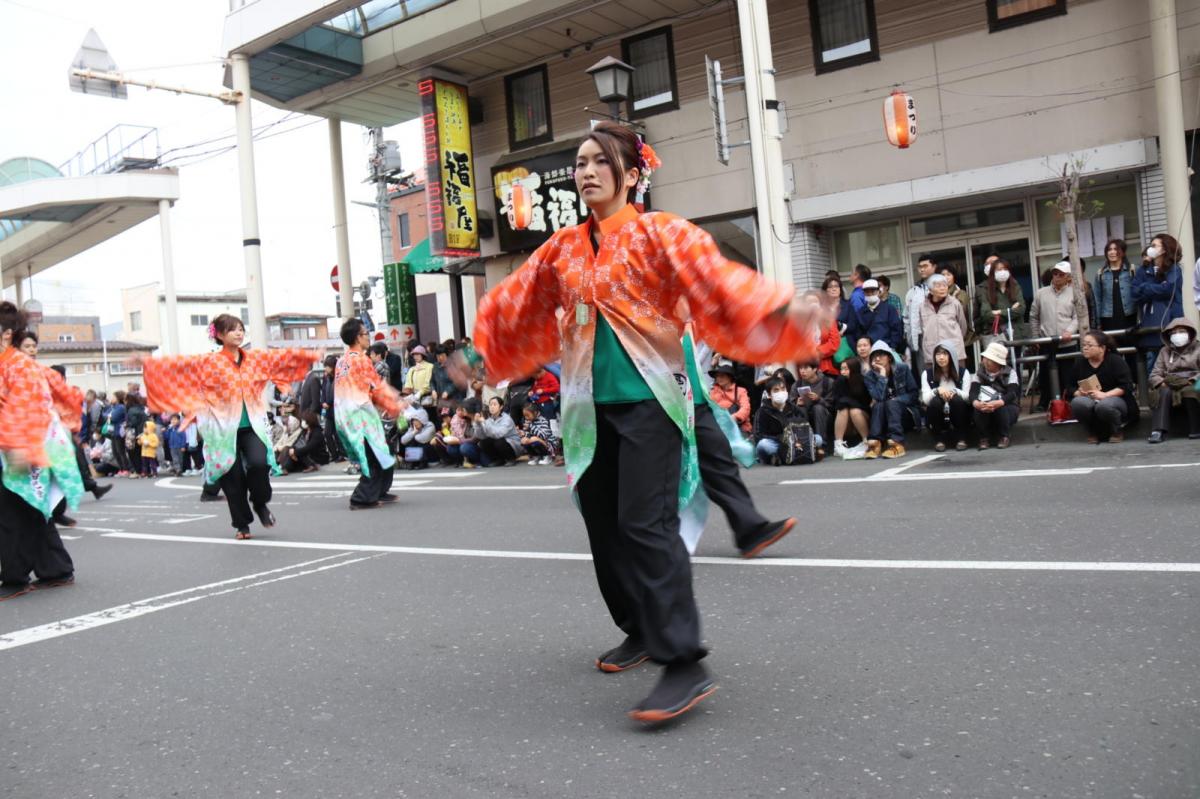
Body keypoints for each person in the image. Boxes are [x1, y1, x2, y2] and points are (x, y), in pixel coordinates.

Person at [469, 121, 823, 723]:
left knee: (645, 525)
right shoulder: (561, 248)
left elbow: (719, 284)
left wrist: (784, 314)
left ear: (631, 174)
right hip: (586, 409)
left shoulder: (661, 234)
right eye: (579, 163)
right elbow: (518, 300)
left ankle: (683, 661)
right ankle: (640, 627)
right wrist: (483, 348)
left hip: (650, 401)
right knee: (603, 526)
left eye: (597, 162)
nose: (584, 172)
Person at [139, 313, 319, 540]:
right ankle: (242, 524)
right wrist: (146, 362)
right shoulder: (210, 361)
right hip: (222, 430)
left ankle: (260, 503)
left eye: (241, 328)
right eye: (233, 329)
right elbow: (178, 367)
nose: (239, 332)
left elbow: (280, 359)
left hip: (252, 424)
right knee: (232, 477)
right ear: (221, 335)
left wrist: (309, 355)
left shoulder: (254, 359)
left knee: (258, 464)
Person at [0, 302, 80, 600]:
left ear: (6, 334)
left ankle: (15, 577)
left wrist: (20, 446)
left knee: (11, 513)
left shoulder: (18, 365)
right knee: (31, 509)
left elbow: (31, 407)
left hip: (22, 445)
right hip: (18, 445)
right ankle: (56, 569)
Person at [335, 318, 403, 509]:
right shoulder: (361, 360)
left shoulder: (342, 361)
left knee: (384, 449)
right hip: (360, 414)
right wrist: (395, 404)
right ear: (358, 337)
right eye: (366, 333)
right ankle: (361, 498)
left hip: (347, 414)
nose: (368, 337)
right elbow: (377, 387)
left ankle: (379, 490)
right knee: (374, 454)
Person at [1029, 260, 1090, 411]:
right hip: (1047, 340)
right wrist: (1036, 336)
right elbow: (1033, 316)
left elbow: (1078, 316)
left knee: (1068, 375)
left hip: (1068, 342)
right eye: (1054, 273)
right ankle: (1044, 403)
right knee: (1045, 374)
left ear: (1068, 277)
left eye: (1061, 274)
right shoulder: (1041, 293)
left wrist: (1070, 330)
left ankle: (1068, 402)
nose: (1056, 277)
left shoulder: (1075, 293)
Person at [1068, 330, 1138, 444]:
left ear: (1102, 348)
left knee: (1104, 405)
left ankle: (1117, 430)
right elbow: (1070, 386)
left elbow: (1127, 386)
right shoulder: (1080, 363)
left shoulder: (1115, 361)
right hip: (1090, 399)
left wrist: (1105, 395)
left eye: (1090, 345)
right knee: (1078, 402)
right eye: (1084, 345)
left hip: (1116, 400)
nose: (1085, 348)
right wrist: (1078, 393)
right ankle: (1092, 431)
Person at [1133, 233, 1185, 375]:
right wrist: (1154, 288)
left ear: (1164, 249)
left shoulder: (1174, 269)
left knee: (1173, 367)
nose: (1151, 248)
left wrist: (1146, 288)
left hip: (1171, 322)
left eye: (1154, 245)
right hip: (1149, 325)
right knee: (1153, 368)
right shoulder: (1143, 269)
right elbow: (1135, 293)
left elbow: (1169, 289)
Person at [1146, 317, 1200, 443]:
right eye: (1173, 333)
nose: (1177, 335)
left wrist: (1191, 380)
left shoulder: (1198, 348)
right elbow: (1154, 374)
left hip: (1193, 381)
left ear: (1190, 333)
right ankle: (1158, 431)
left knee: (1190, 391)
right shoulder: (1164, 351)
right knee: (1161, 392)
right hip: (1170, 382)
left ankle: (1196, 429)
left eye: (1181, 331)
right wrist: (1162, 382)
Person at [863, 341, 918, 459]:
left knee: (891, 403)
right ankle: (875, 444)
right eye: (874, 356)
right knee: (878, 405)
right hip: (884, 416)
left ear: (889, 357)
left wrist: (896, 401)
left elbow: (914, 394)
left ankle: (897, 444)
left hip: (906, 414)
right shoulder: (869, 376)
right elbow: (878, 397)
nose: (877, 358)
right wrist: (882, 376)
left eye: (881, 355)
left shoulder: (902, 368)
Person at [921, 340, 972, 451]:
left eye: (945, 353)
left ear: (951, 355)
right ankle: (939, 439)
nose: (941, 357)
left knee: (958, 400)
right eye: (938, 354)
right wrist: (937, 390)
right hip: (938, 410)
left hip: (957, 410)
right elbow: (925, 399)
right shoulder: (927, 374)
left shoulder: (963, 372)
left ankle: (961, 438)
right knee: (934, 402)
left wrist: (953, 391)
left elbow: (968, 397)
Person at [970, 342, 1021, 449]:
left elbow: (1013, 393)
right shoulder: (979, 373)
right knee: (977, 409)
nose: (986, 361)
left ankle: (1004, 436)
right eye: (985, 358)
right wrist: (977, 403)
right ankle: (983, 438)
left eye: (990, 359)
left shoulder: (1010, 373)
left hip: (1006, 407)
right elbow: (973, 391)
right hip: (985, 405)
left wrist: (998, 403)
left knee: (1001, 406)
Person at [919, 274, 968, 368]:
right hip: (932, 352)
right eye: (938, 286)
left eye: (944, 285)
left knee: (958, 380)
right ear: (930, 290)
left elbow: (963, 326)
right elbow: (922, 328)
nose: (942, 288)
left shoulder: (955, 303)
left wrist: (956, 340)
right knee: (934, 380)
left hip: (954, 351)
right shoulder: (922, 306)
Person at [977, 258, 1028, 347]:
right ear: (993, 273)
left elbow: (1021, 309)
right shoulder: (986, 290)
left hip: (1017, 334)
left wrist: (999, 312)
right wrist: (1011, 311)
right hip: (998, 337)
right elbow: (986, 315)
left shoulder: (1015, 286)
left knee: (1018, 359)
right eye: (999, 270)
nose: (1003, 272)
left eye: (1005, 269)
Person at [753, 377, 803, 465]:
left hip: (794, 441)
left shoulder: (793, 408)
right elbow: (758, 435)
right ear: (769, 395)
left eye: (783, 389)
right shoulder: (762, 411)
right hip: (775, 443)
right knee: (763, 444)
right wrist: (781, 438)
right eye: (776, 390)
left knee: (818, 439)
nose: (781, 392)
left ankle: (783, 456)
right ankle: (790, 454)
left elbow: (804, 425)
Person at [847, 278, 903, 353]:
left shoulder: (889, 309)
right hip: (868, 351)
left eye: (873, 291)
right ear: (863, 293)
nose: (870, 294)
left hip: (887, 349)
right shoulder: (860, 313)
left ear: (878, 292)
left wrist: (892, 347)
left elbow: (896, 330)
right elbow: (858, 334)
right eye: (867, 292)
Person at [831, 357, 871, 458]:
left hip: (862, 416)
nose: (843, 372)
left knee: (854, 410)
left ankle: (866, 441)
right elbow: (838, 403)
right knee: (843, 409)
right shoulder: (839, 381)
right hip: (845, 420)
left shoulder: (863, 381)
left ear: (854, 368)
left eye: (846, 369)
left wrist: (849, 403)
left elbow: (866, 404)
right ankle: (838, 444)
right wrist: (849, 402)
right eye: (841, 369)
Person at [905, 254, 937, 373]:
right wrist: (909, 336)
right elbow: (907, 315)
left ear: (934, 267)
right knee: (924, 371)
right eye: (919, 267)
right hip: (921, 336)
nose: (922, 269)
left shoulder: (942, 285)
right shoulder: (914, 290)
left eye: (925, 266)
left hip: (939, 334)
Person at [793, 361, 834, 450]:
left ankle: (821, 444)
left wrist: (819, 399)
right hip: (805, 414)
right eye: (800, 368)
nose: (802, 371)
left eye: (806, 368)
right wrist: (797, 403)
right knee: (801, 408)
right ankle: (804, 443)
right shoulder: (797, 384)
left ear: (815, 369)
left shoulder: (827, 382)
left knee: (818, 408)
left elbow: (832, 404)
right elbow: (789, 404)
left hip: (825, 416)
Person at [476, 395, 523, 466]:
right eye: (490, 405)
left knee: (499, 441)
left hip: (513, 445)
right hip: (500, 442)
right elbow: (481, 436)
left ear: (501, 407)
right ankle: (498, 460)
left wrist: (485, 422)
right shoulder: (489, 419)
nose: (492, 407)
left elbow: (499, 434)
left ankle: (511, 459)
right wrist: (478, 424)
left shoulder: (507, 419)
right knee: (483, 442)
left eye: (494, 404)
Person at [708, 362, 752, 436]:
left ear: (730, 377)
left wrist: (733, 417)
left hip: (738, 428)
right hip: (718, 428)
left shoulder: (741, 391)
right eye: (717, 376)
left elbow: (746, 408)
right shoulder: (713, 392)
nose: (719, 378)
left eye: (722, 376)